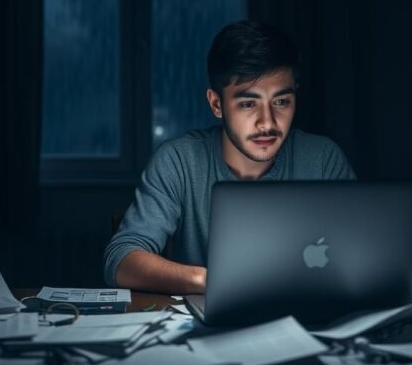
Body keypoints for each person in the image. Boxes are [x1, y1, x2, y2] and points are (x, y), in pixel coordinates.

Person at [103, 20, 356, 294]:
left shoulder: (322, 158)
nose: (267, 122)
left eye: (281, 102)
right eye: (248, 104)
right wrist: (208, 280)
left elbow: (362, 250)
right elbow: (121, 260)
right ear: (216, 104)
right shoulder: (178, 160)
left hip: (307, 312)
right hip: (210, 315)